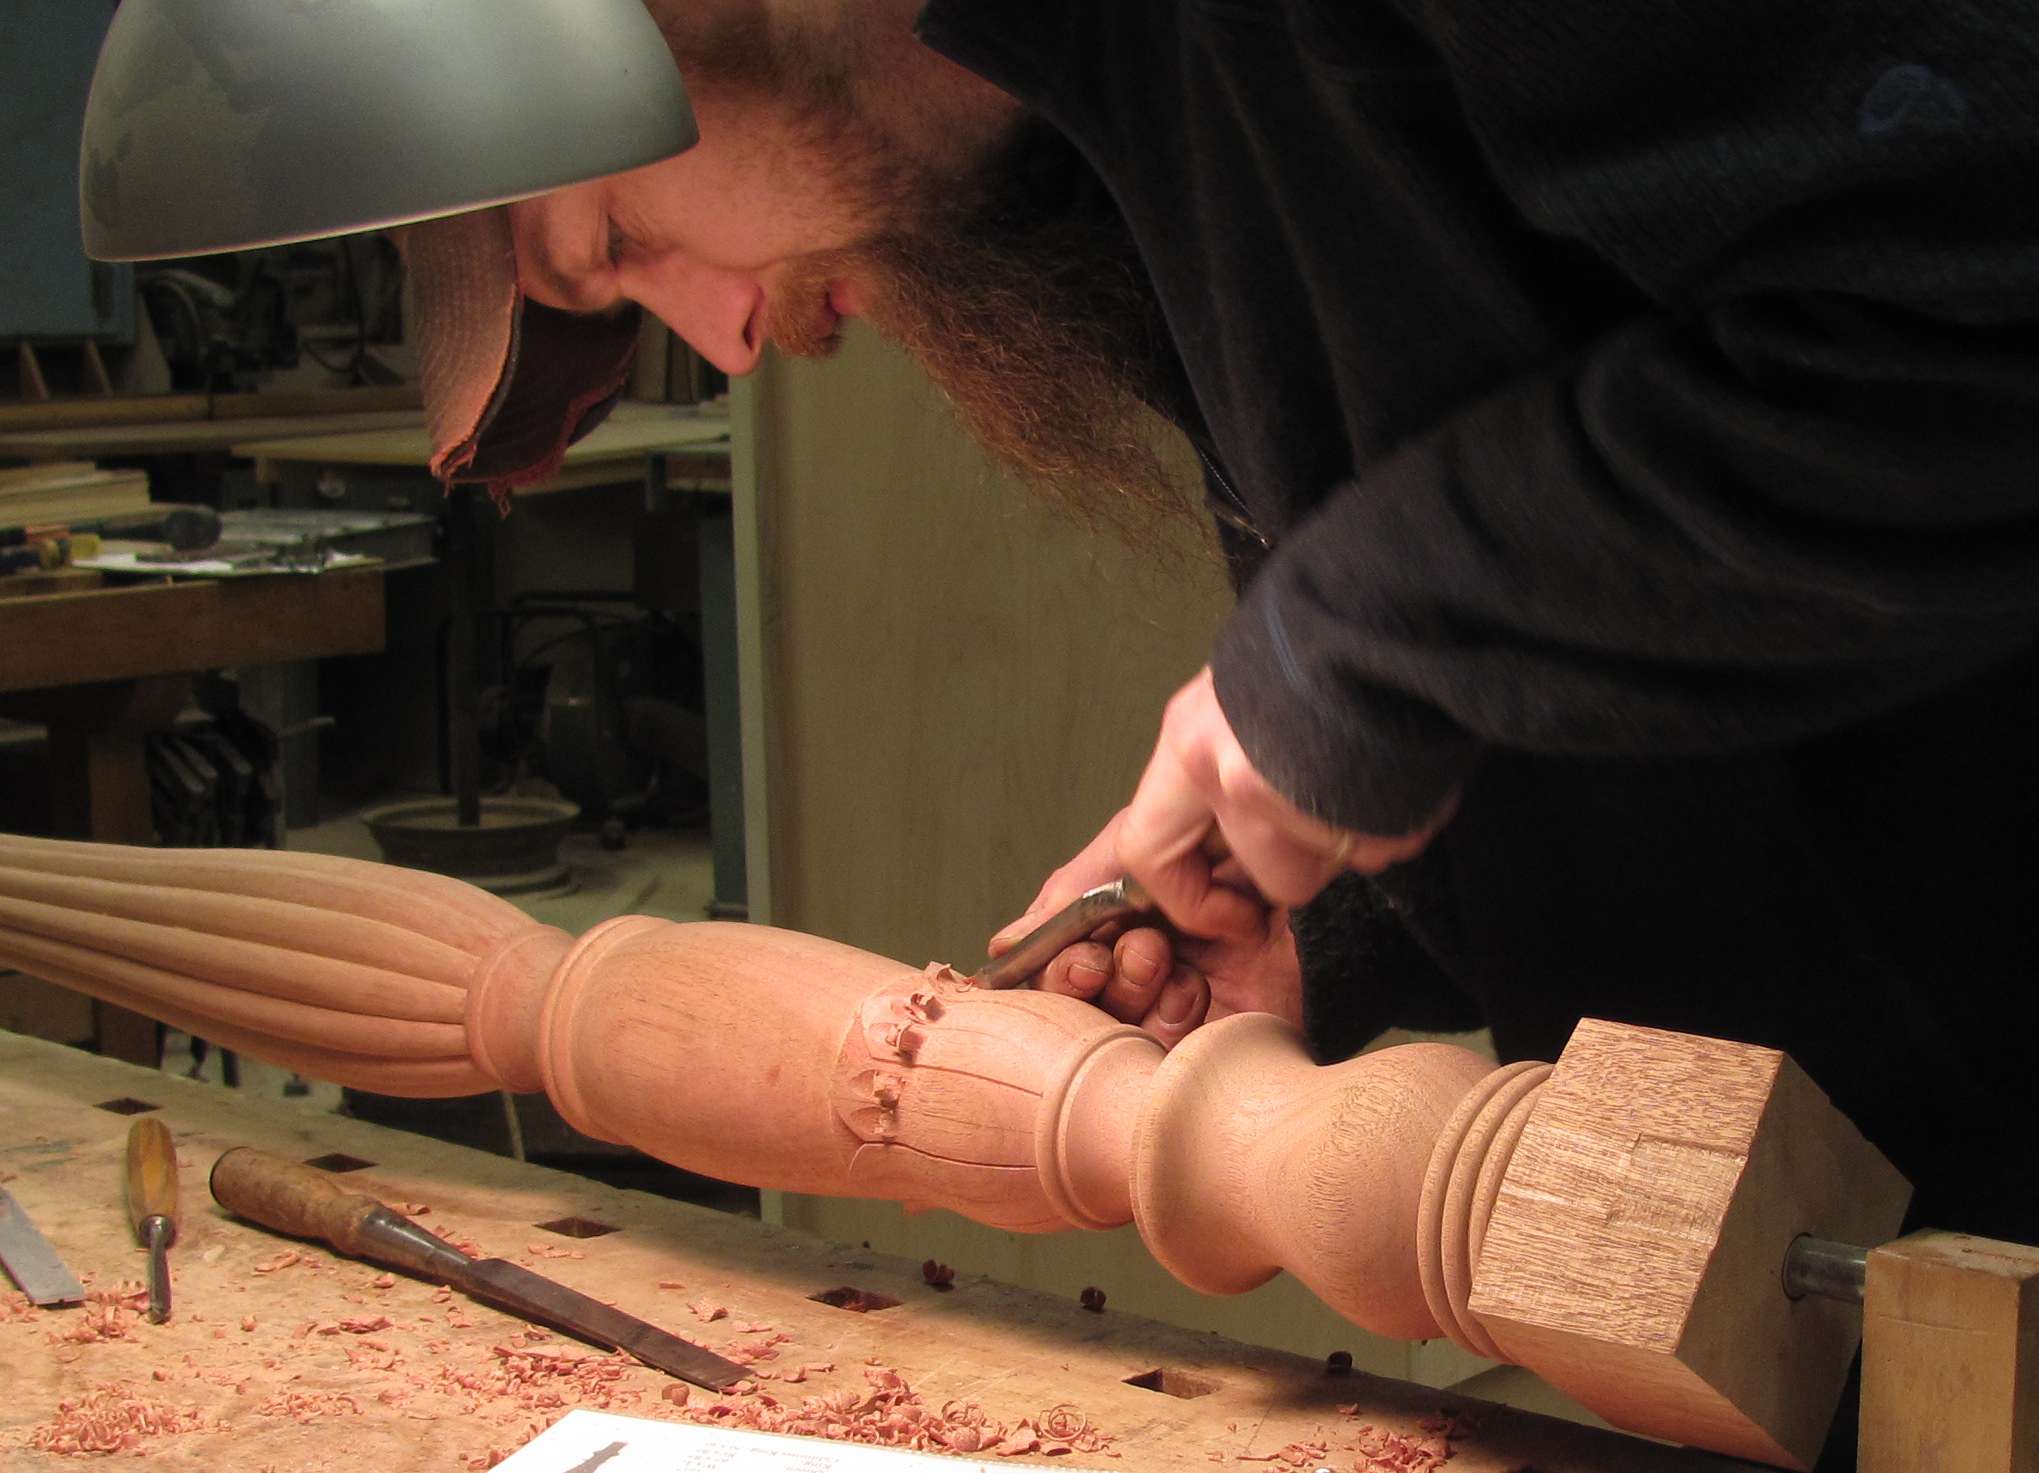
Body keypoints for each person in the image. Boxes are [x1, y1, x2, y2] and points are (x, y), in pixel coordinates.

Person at [413, 4, 2037, 1461]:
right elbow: (1634, 538)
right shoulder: (1095, 105)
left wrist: (1366, 645)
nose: (726, 337)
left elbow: (1975, 330)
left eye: (614, 236)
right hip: (1813, 1286)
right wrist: (1337, 905)